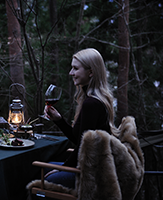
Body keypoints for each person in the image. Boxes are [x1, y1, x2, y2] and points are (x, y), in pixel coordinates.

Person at [43, 48, 117, 188]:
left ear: (91, 72)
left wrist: (61, 169)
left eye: (75, 68)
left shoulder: (92, 103)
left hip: (91, 174)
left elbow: (83, 147)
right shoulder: (93, 99)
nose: (71, 73)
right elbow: (78, 139)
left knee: (38, 172)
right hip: (90, 166)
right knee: (43, 167)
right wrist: (59, 120)